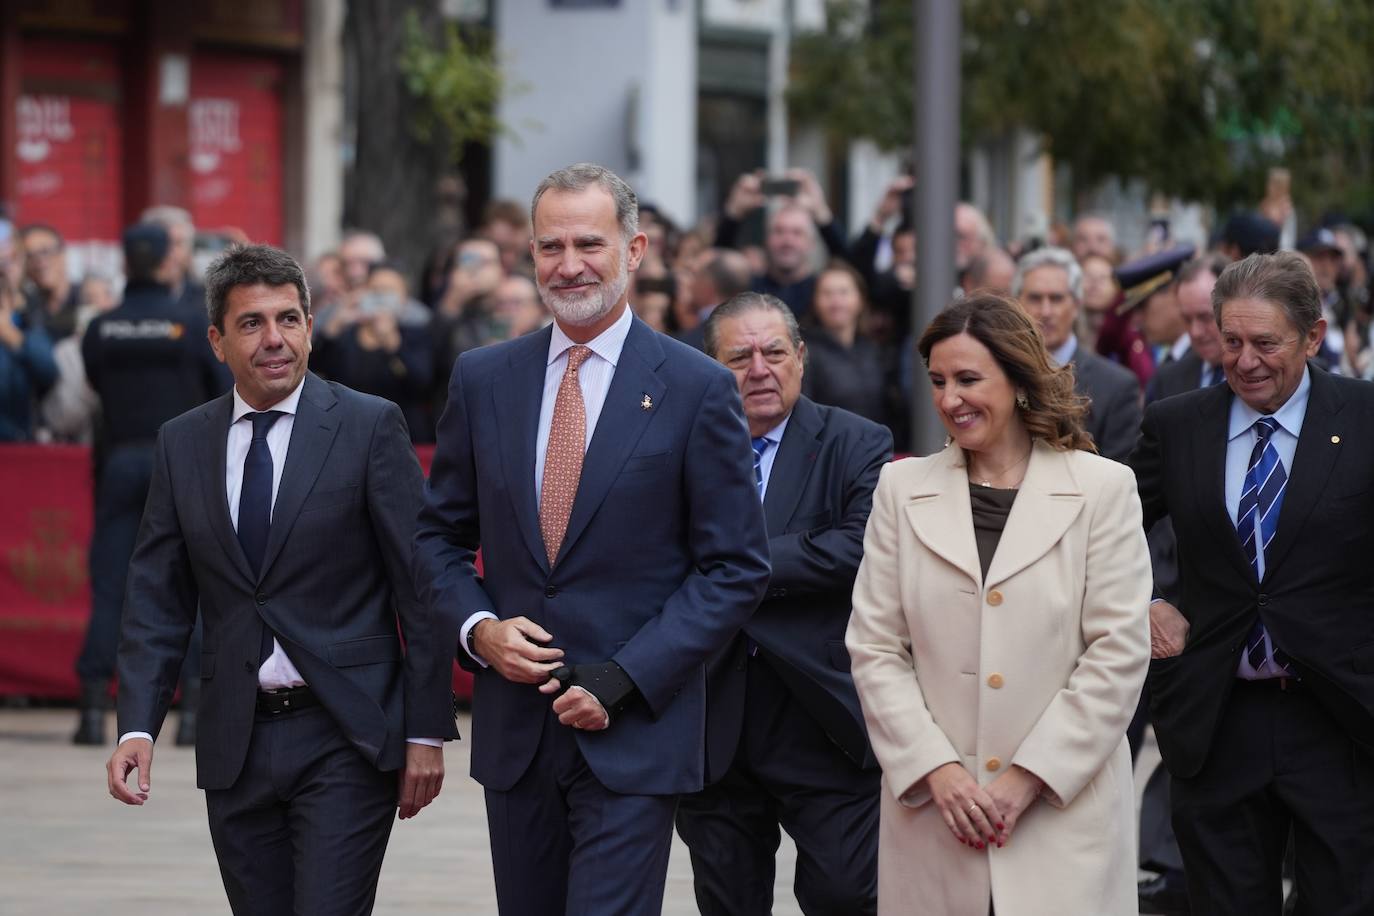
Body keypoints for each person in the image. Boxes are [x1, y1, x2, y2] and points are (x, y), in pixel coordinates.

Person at [414, 163, 771, 916]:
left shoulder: (697, 386)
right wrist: (479, 632)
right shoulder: (483, 379)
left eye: (588, 243)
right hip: (518, 734)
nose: (568, 265)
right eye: (550, 247)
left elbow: (735, 567)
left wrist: (628, 675)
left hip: (633, 732)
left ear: (635, 250)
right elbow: (437, 538)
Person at [105, 244, 457, 916]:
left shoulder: (368, 425)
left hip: (346, 735)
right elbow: (158, 597)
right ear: (217, 340)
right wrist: (137, 729)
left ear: (310, 325)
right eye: (252, 324)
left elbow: (420, 586)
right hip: (236, 740)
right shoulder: (183, 442)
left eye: (289, 319)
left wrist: (426, 731)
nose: (275, 340)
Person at [846, 293, 1151, 915]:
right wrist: (939, 771)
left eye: (968, 379)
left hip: (1062, 820)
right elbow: (875, 647)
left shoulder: (1102, 489)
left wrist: (1025, 781)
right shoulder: (901, 490)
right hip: (937, 818)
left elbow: (1118, 653)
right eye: (937, 381)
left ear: (1017, 379)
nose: (950, 399)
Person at [1130, 251, 1374, 915]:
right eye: (1231, 341)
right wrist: (1143, 603)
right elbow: (1101, 531)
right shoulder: (1179, 425)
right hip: (1217, 720)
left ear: (1314, 336)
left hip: (1341, 721)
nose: (1245, 361)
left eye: (1266, 343)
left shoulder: (1363, 418)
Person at [676, 292, 891, 916]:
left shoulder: (856, 441)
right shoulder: (680, 446)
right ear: (711, 367)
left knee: (847, 895)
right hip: (713, 722)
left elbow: (858, 547)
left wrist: (729, 563)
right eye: (738, 356)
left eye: (774, 351)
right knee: (727, 901)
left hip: (820, 716)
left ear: (800, 356)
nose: (759, 369)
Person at [74, 223, 230, 746]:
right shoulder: (190, 323)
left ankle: (93, 710)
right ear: (168, 264)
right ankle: (192, 716)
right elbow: (219, 392)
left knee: (111, 584)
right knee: (196, 584)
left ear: (126, 264)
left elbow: (95, 384)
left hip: (120, 458)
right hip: (183, 462)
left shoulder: (102, 327)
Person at [1012, 246, 1141, 461]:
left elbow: (1120, 476)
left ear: (1076, 305)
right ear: (1017, 304)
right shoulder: (1001, 374)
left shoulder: (1117, 386)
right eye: (1035, 298)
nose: (1046, 311)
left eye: (1056, 299)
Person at [716, 168, 848, 318]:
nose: (787, 240)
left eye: (797, 233)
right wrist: (734, 212)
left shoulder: (821, 292)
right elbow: (718, 266)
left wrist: (821, 212)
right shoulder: (748, 290)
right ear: (766, 239)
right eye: (779, 231)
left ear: (811, 243)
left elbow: (850, 268)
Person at [802, 261, 894, 430]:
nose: (836, 302)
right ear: (814, 301)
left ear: (860, 300)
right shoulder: (805, 352)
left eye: (843, 293)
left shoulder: (873, 349)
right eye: (827, 294)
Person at [20, 223, 80, 341]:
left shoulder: (87, 298)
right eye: (29, 256)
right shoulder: (25, 309)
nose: (39, 261)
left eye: (45, 251)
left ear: (63, 253)